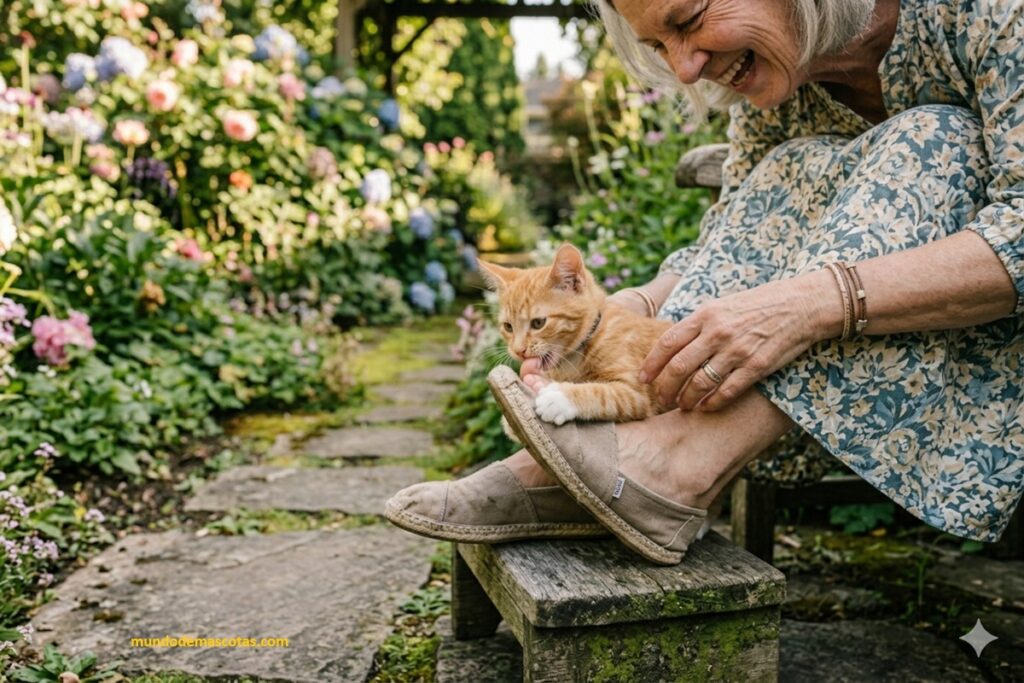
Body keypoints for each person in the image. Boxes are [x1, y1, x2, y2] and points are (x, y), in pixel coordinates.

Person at [387, 0, 1023, 563]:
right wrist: (623, 312)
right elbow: (730, 231)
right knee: (788, 170)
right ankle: (622, 446)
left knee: (934, 137)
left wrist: (805, 306)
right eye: (660, 48)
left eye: (688, 23)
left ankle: (680, 463)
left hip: (988, 354)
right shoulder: (780, 72)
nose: (684, 69)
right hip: (836, 377)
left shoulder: (988, 11)